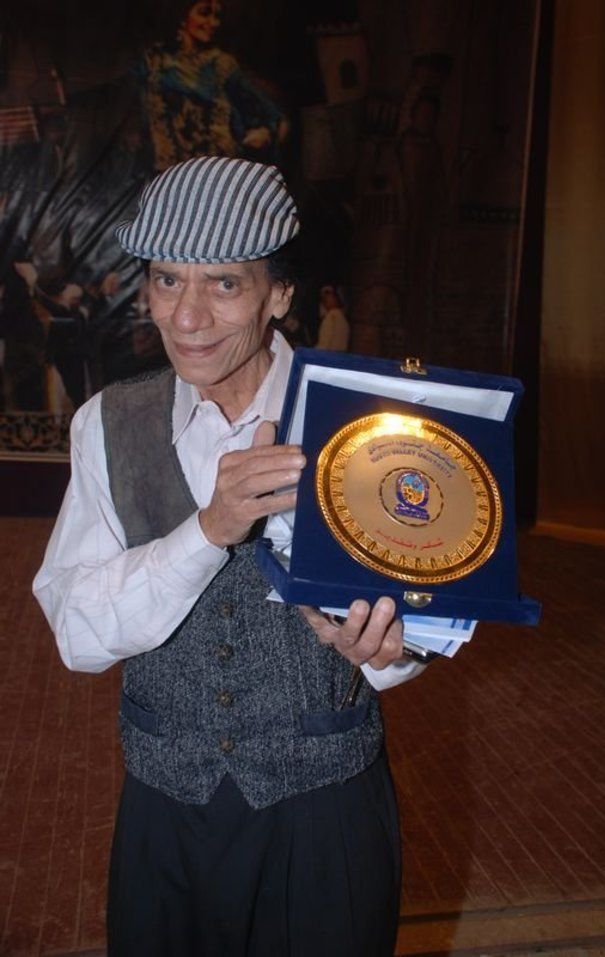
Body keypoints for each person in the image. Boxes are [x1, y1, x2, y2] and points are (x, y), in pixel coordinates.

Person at [33, 156, 426, 956]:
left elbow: (417, 626)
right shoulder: (109, 425)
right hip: (166, 810)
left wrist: (391, 648)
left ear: (279, 294)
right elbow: (75, 632)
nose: (187, 316)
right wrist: (204, 531)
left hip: (324, 811)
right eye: (167, 280)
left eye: (223, 283)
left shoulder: (366, 421)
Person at [139, 0, 289, 171]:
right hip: (167, 169)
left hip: (214, 168)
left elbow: (272, 116)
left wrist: (264, 133)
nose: (213, 23)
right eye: (204, 13)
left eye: (216, 16)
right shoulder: (154, 60)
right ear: (182, 16)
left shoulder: (221, 65)